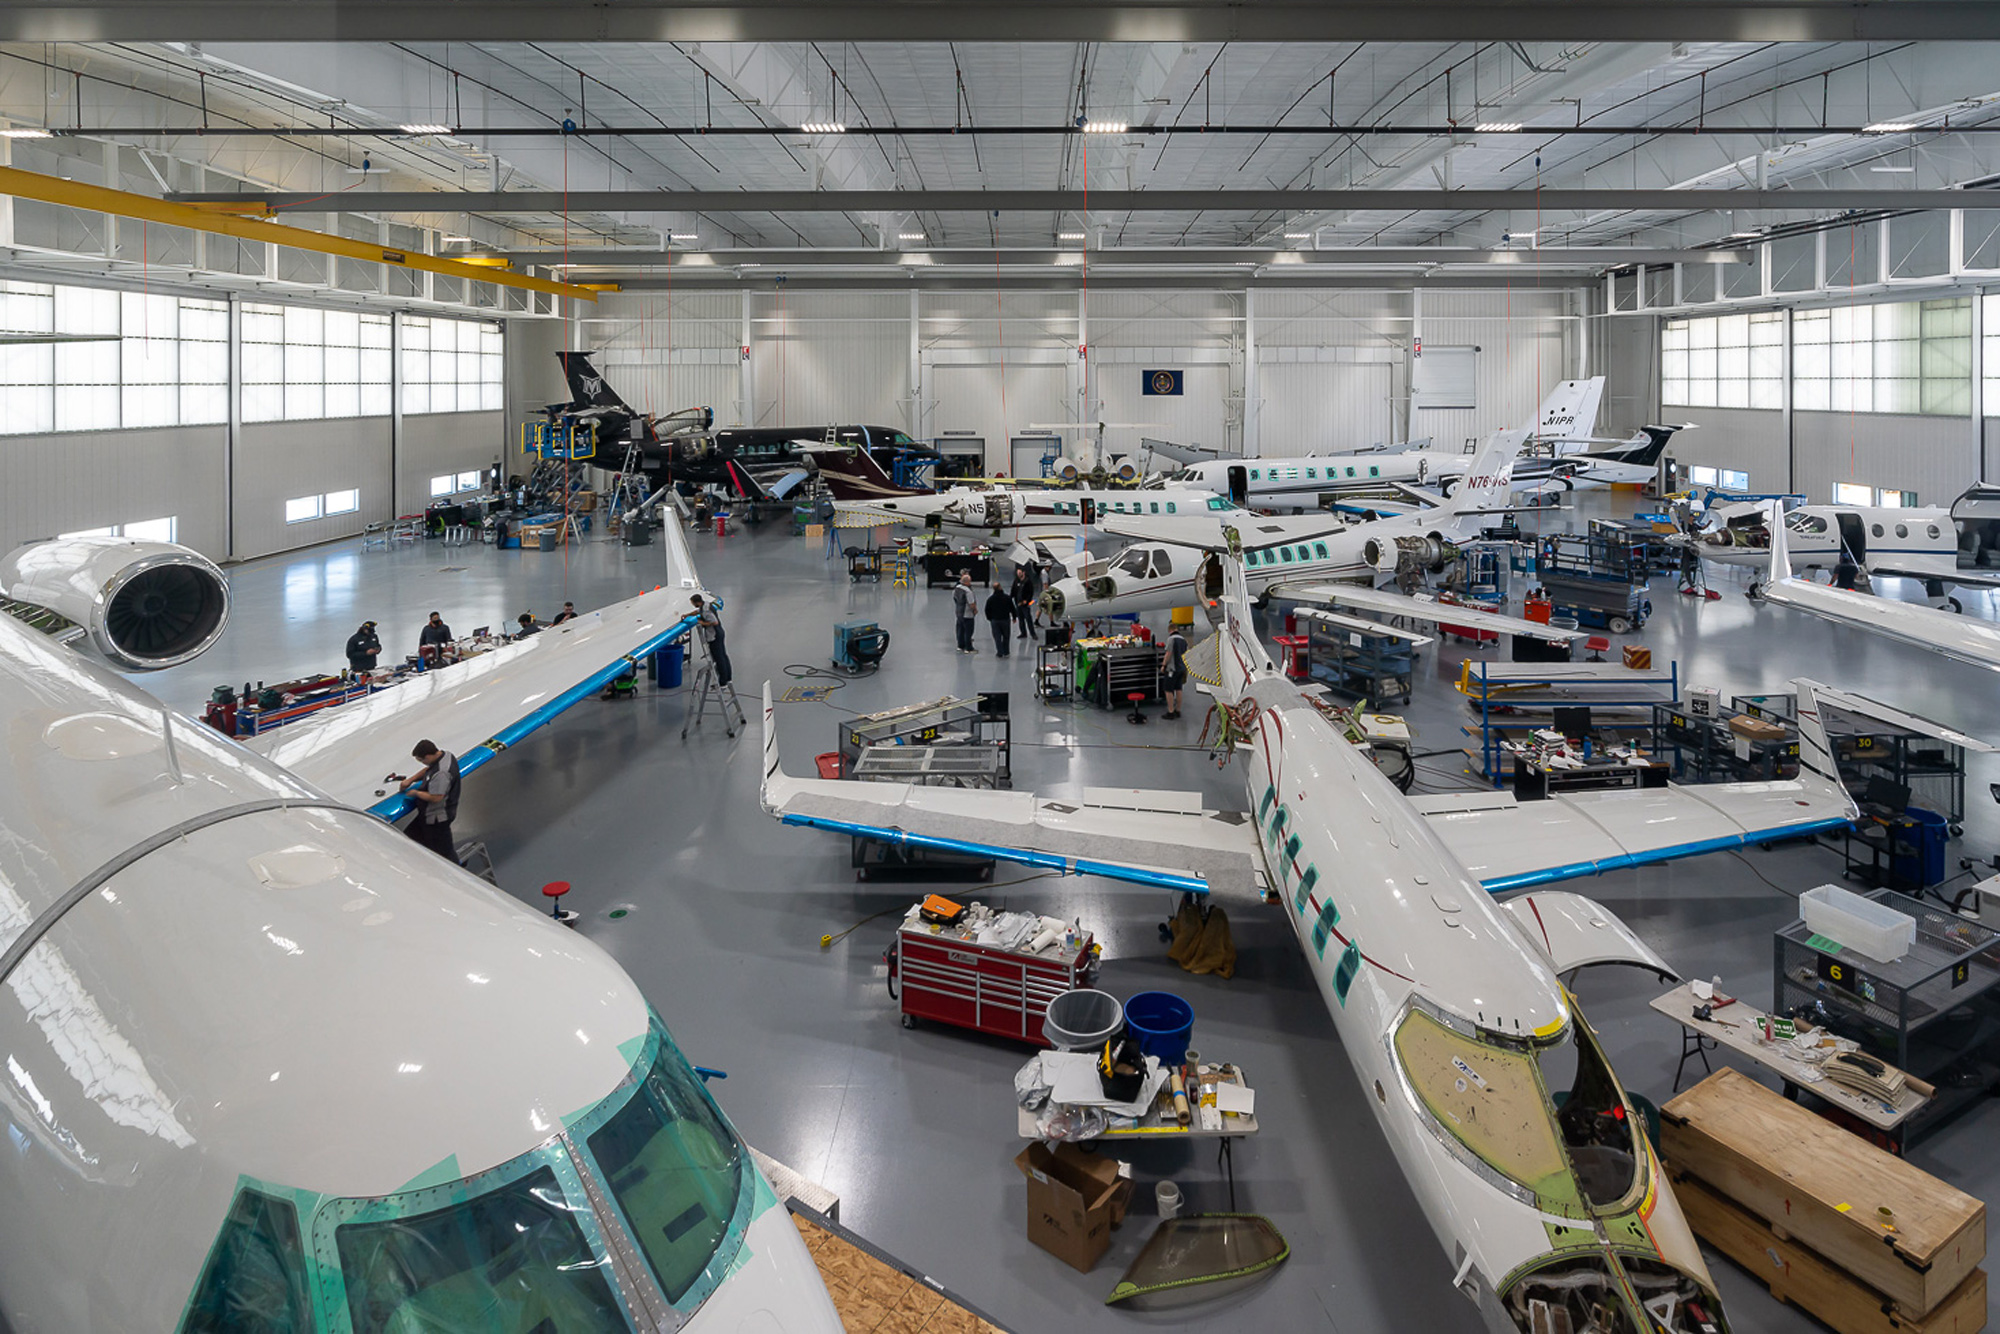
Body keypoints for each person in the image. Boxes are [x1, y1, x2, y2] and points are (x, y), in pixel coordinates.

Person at [399, 740, 461, 861]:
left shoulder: (442, 774)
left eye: (422, 760)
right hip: (427, 816)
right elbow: (429, 769)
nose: (423, 764)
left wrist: (416, 793)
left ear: (427, 756)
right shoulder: (445, 755)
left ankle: (456, 872)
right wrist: (411, 780)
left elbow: (436, 797)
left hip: (437, 819)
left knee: (443, 852)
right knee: (409, 837)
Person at [691, 593, 732, 685]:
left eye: (693, 603)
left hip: (714, 635)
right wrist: (687, 615)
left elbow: (714, 622)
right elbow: (698, 611)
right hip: (719, 633)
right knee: (723, 655)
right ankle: (728, 678)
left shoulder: (706, 611)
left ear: (697, 602)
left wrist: (702, 622)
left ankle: (723, 681)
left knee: (719, 658)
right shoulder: (706, 604)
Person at [1159, 621, 1190, 720]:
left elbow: (1168, 653)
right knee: (1179, 689)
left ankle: (1170, 711)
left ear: (1170, 630)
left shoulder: (1171, 639)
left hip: (1172, 669)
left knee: (1168, 690)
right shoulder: (1183, 640)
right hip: (1182, 668)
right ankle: (1178, 710)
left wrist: (1163, 665)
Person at [984, 583, 1015, 657]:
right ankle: (1006, 651)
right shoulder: (1007, 598)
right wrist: (1014, 617)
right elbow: (1012, 608)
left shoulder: (990, 599)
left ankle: (999, 652)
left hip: (995, 620)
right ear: (1000, 587)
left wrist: (990, 618)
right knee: (1006, 636)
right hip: (1005, 619)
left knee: (997, 637)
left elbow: (987, 610)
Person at [1010, 564, 1039, 641]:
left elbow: (1030, 592)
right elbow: (1013, 590)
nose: (1018, 575)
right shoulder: (1016, 581)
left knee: (1028, 619)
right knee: (1021, 619)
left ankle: (1033, 633)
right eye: (1017, 573)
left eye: (1020, 573)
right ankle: (1023, 633)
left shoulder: (1028, 582)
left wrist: (1027, 600)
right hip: (1018, 603)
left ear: (1023, 573)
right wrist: (1010, 598)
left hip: (1025, 604)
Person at [952, 571, 978, 653]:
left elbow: (955, 598)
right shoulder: (968, 591)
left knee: (960, 630)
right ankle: (968, 648)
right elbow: (971, 603)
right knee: (968, 631)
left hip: (959, 613)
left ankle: (960, 646)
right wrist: (974, 610)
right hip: (967, 614)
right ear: (967, 582)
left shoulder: (957, 588)